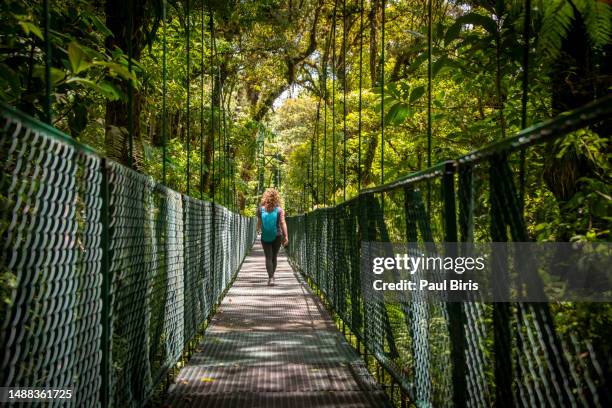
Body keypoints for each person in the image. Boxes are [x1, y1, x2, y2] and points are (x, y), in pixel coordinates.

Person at [256, 188, 289, 286]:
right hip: (277, 236)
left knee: (268, 257)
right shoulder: (279, 210)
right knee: (274, 257)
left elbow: (259, 222)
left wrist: (258, 229)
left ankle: (270, 277)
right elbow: (283, 223)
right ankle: (272, 276)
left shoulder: (260, 209)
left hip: (265, 236)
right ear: (276, 197)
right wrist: (286, 236)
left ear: (265, 197)